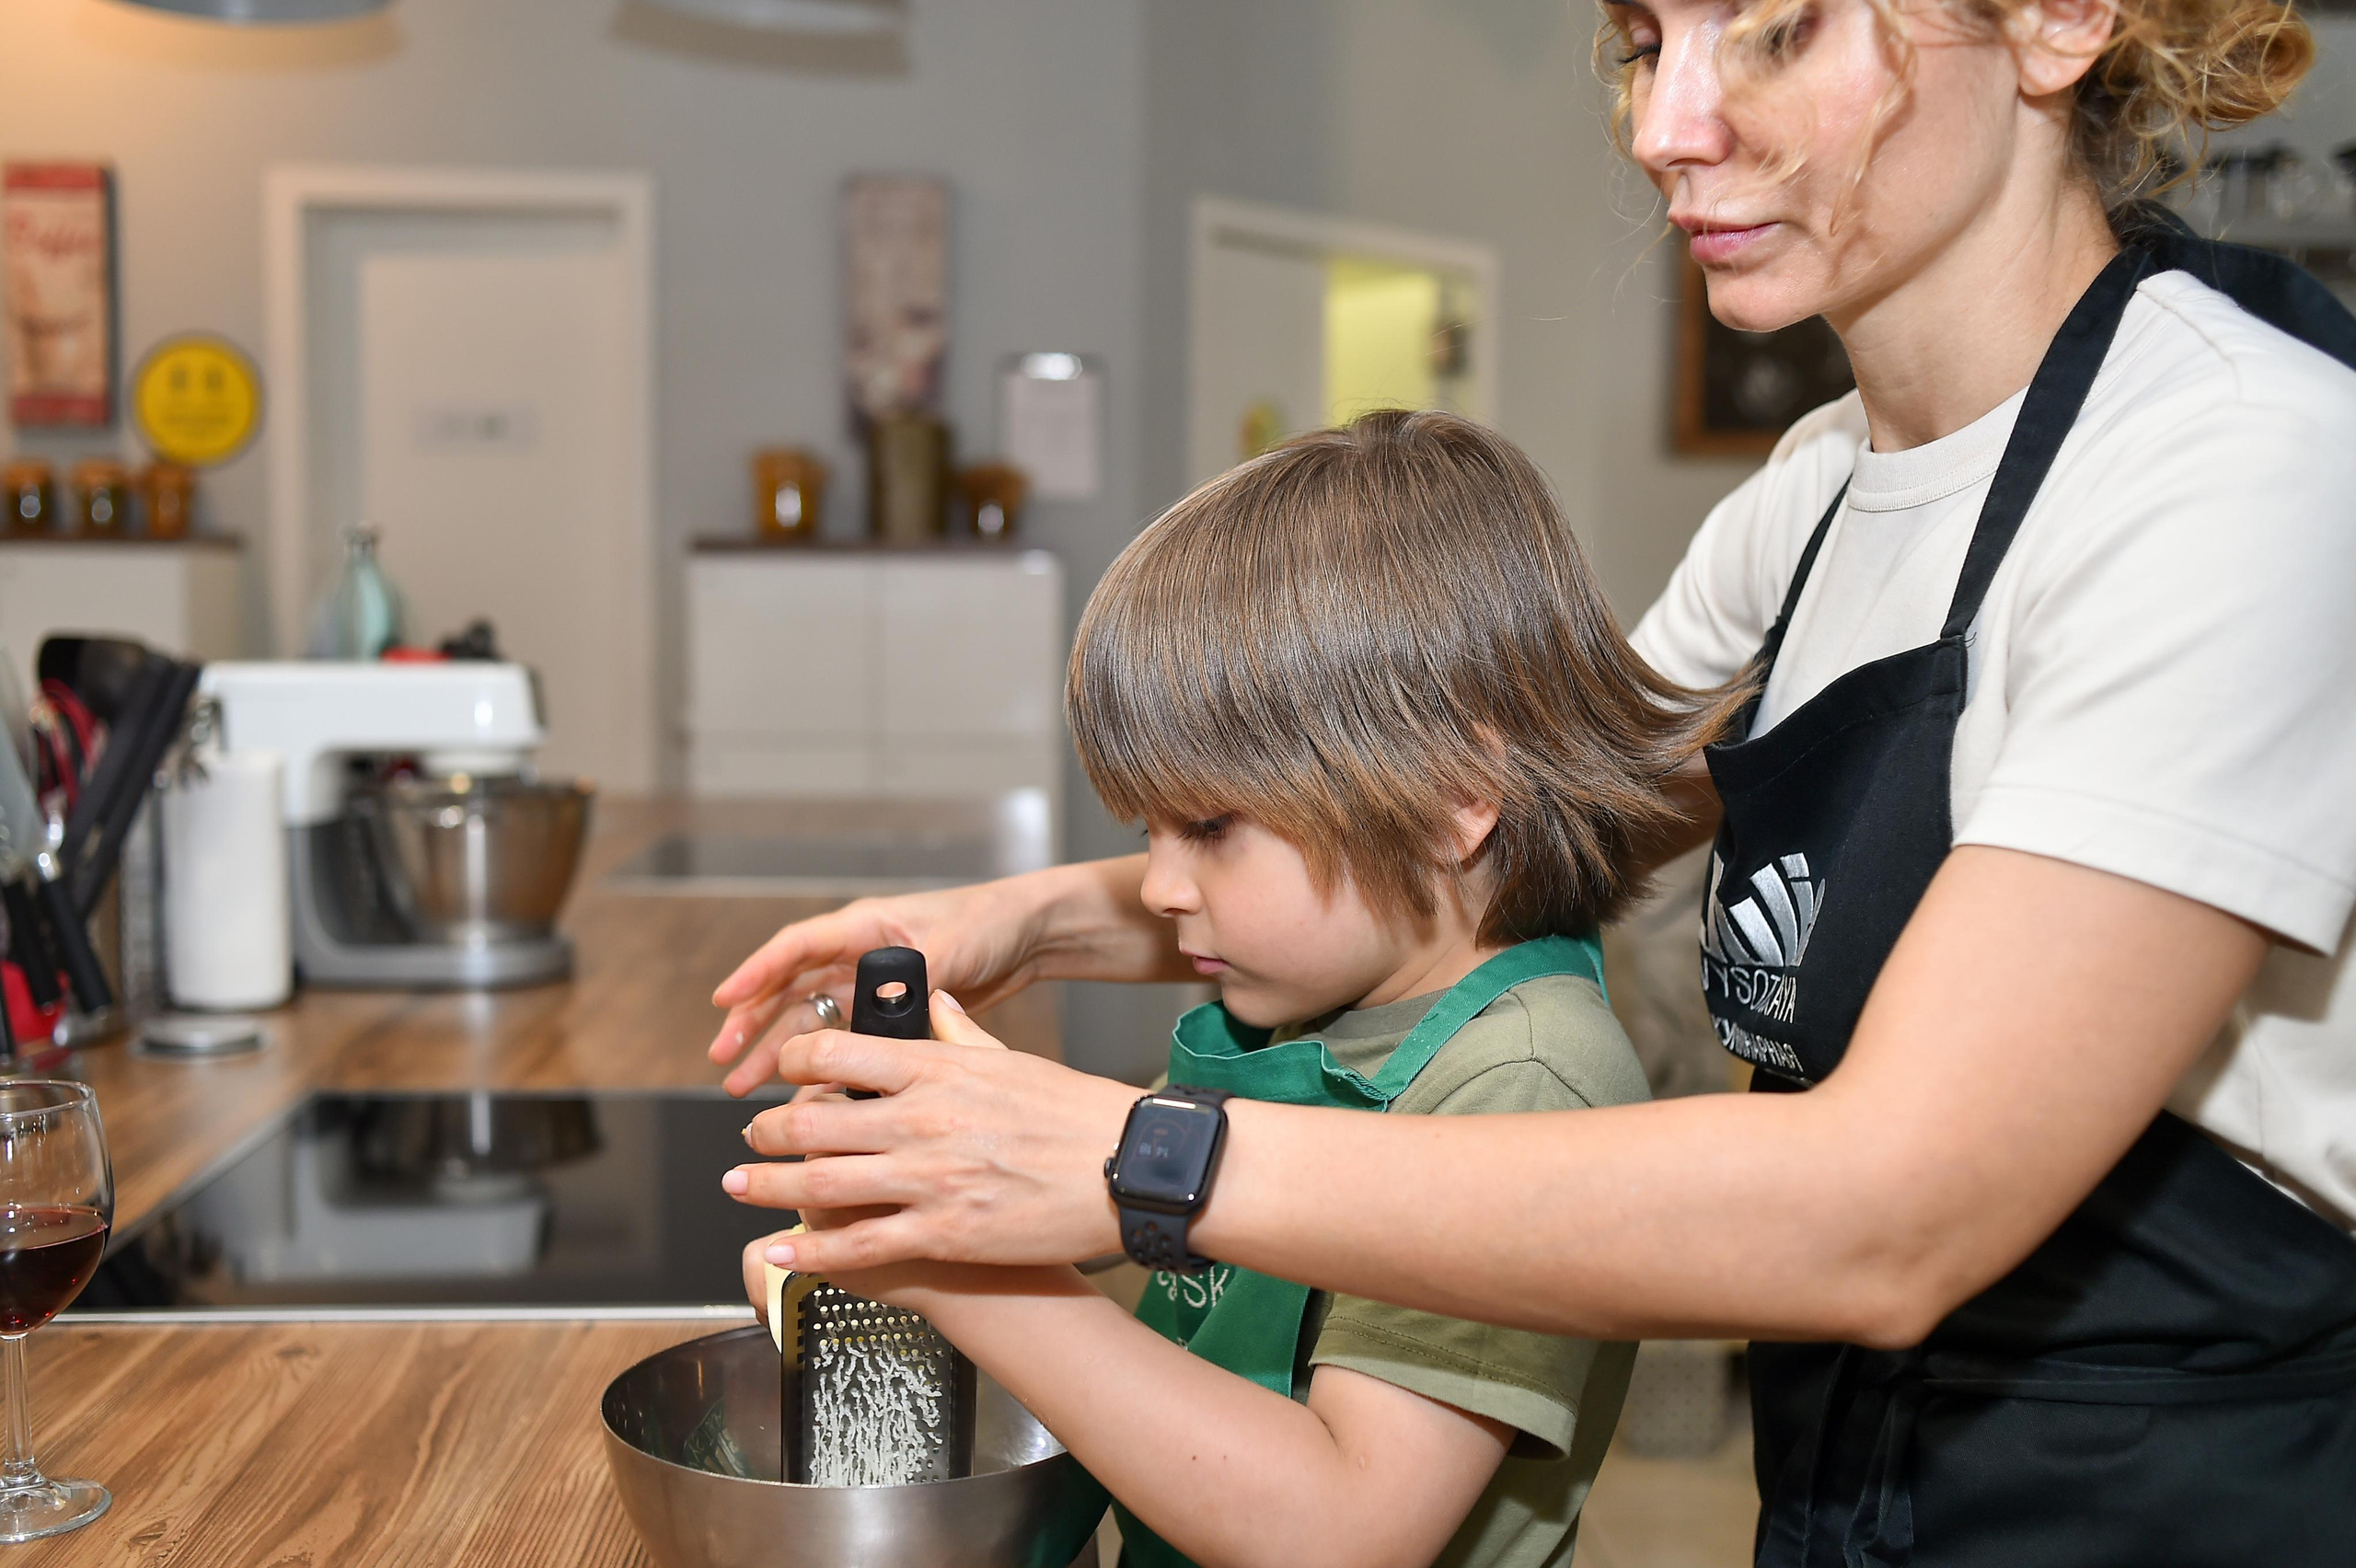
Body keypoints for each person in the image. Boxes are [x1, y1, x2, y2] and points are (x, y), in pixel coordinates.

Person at [716, 0, 2356, 1560]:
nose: (1665, 124)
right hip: (1859, 1485)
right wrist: (1028, 922)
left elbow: (1896, 1207)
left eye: (1771, 29)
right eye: (1644, 43)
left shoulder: (2238, 473)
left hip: (2168, 1494)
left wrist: (1125, 1159)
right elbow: (1477, 836)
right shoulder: (1815, 499)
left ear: (2062, 22)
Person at [739, 412, 1734, 1568]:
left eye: (1210, 827)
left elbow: (1343, 1525)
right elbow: (1136, 1234)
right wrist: (942, 1180)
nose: (1159, 887)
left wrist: (957, 1282)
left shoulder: (1517, 1080)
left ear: (1457, 795)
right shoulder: (1309, 999)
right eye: (1150, 829)